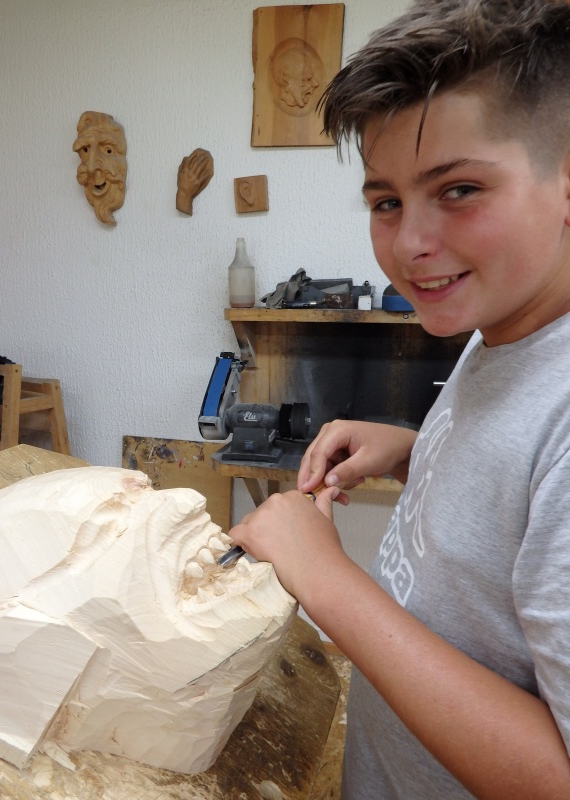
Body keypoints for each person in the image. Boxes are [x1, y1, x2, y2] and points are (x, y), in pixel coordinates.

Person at [228, 1, 570, 797]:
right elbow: (517, 508)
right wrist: (417, 450)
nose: (410, 245)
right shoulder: (504, 323)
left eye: (459, 189)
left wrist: (326, 579)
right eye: (386, 202)